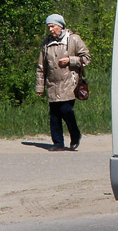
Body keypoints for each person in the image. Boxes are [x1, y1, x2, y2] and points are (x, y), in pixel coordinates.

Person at [35, 14, 91, 151]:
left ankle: (75, 134)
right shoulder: (46, 43)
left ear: (60, 26)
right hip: (52, 83)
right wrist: (39, 87)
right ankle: (58, 143)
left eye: (52, 26)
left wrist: (70, 60)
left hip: (69, 83)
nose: (50, 30)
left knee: (66, 110)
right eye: (49, 27)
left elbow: (86, 58)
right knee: (54, 114)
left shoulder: (73, 39)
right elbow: (41, 67)